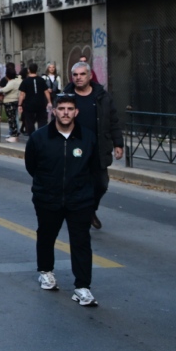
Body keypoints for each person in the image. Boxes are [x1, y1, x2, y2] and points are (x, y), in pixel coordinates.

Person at [26, 95, 99, 306]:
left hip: (79, 199)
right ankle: (46, 271)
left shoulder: (88, 137)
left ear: (76, 112)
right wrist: (46, 186)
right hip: (48, 198)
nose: (65, 112)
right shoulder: (40, 138)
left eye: (70, 109)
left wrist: (85, 192)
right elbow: (32, 166)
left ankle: (82, 287)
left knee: (81, 242)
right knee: (47, 236)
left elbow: (94, 169)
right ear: (54, 111)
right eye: (61, 108)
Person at [63, 61, 124, 230]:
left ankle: (90, 210)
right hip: (75, 148)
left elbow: (113, 121)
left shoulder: (102, 96)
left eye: (82, 74)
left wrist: (118, 143)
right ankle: (80, 214)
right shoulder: (66, 96)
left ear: (90, 76)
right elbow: (56, 123)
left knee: (101, 184)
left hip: (98, 148)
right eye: (75, 75)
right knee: (78, 184)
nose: (78, 78)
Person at [18, 63, 51, 136]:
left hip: (29, 105)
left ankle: (33, 136)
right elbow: (46, 92)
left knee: (30, 122)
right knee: (42, 121)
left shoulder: (25, 81)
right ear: (36, 70)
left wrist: (20, 105)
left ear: (28, 70)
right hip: (41, 104)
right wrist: (49, 102)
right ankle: (42, 135)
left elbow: (22, 94)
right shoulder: (41, 80)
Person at [0, 63, 22, 142]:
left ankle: (14, 135)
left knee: (11, 118)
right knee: (14, 118)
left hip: (10, 101)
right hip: (15, 100)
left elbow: (4, 89)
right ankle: (14, 134)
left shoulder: (12, 82)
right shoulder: (18, 80)